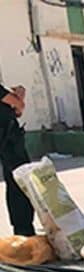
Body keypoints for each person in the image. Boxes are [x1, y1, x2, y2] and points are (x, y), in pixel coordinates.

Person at [0, 83, 34, 236]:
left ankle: (22, 229)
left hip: (7, 136)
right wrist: (19, 97)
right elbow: (18, 106)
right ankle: (23, 229)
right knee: (19, 183)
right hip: (8, 138)